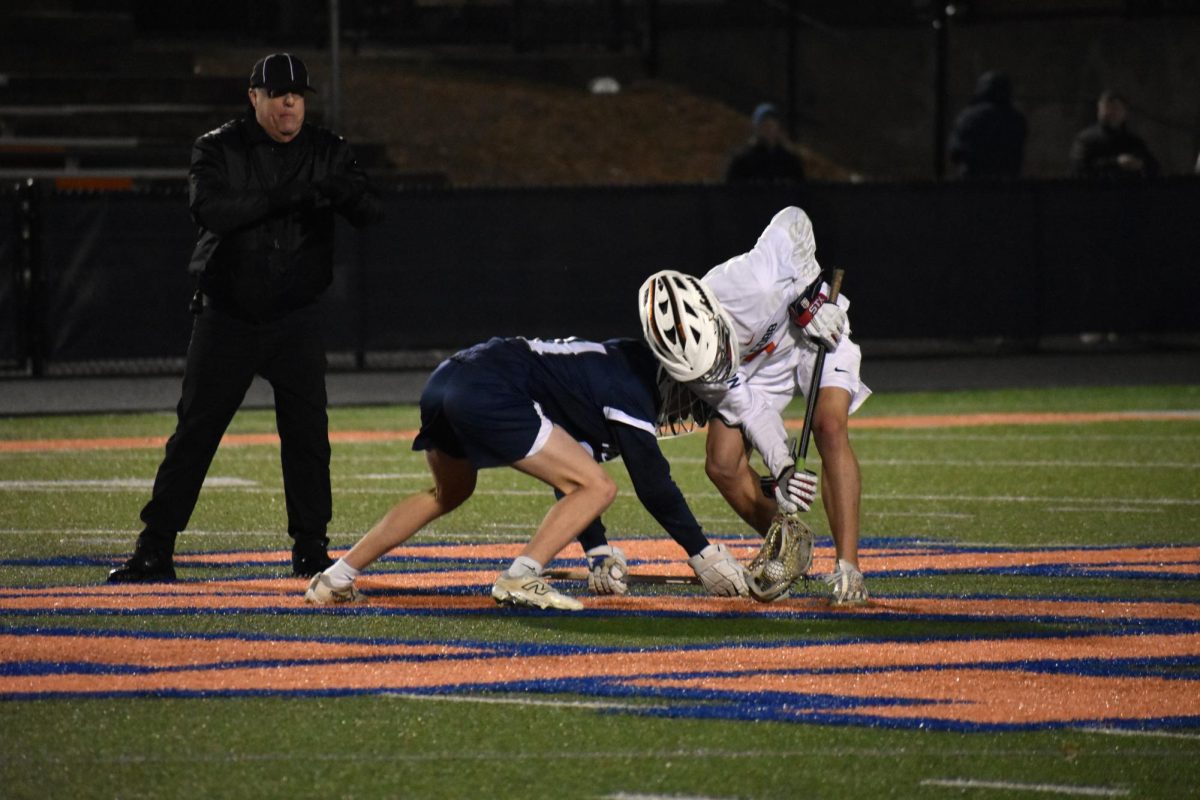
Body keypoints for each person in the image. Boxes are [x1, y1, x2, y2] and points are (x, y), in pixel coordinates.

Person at [108, 53, 382, 583]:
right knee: (195, 433)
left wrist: (347, 192)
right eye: (279, 94)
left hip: (295, 318)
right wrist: (290, 195)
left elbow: (372, 213)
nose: (289, 105)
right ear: (252, 97)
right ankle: (154, 548)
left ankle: (310, 550)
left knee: (307, 435)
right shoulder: (216, 147)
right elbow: (211, 211)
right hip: (228, 316)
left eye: (297, 96)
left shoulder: (328, 150)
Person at [303, 336, 754, 610]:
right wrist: (703, 554)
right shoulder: (631, 384)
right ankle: (522, 574)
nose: (685, 408)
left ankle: (335, 578)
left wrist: (597, 551)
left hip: (447, 379)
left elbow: (570, 471)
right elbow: (653, 483)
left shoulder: (609, 366)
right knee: (599, 486)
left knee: (448, 492)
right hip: (489, 387)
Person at [638, 207, 871, 605]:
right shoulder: (700, 362)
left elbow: (794, 219)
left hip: (809, 326)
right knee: (722, 463)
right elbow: (750, 410)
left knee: (829, 424)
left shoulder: (752, 283)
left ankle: (848, 567)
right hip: (755, 364)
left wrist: (807, 302)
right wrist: (781, 468)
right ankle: (788, 546)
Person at [947, 70, 1027, 179]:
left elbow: (955, 151)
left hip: (971, 184)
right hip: (1006, 185)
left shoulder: (968, 117)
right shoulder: (1016, 118)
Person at [1070, 90, 1159, 179]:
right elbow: (1079, 168)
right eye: (1106, 108)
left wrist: (1141, 164)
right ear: (1099, 110)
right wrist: (1116, 163)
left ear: (1125, 112)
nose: (1110, 113)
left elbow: (1153, 166)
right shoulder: (1086, 139)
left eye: (1115, 108)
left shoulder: (1133, 141)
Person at [724, 103, 806, 184]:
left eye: (772, 124)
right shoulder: (742, 160)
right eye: (764, 125)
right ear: (756, 128)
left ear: (778, 127)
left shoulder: (789, 161)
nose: (769, 129)